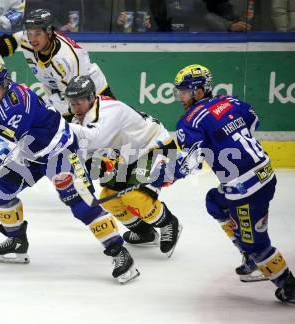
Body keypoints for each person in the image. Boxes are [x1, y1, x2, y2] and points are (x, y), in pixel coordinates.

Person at [0, 60, 140, 284]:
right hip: (32, 154)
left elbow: (3, 147)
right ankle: (16, 241)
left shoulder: (18, 102)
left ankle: (120, 253)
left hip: (59, 152)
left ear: (6, 84)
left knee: (80, 203)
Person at [171, 64, 295, 303]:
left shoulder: (189, 121)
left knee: (257, 244)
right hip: (266, 175)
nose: (180, 97)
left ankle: (287, 285)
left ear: (198, 91)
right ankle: (249, 255)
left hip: (245, 191)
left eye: (184, 91)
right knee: (215, 202)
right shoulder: (231, 102)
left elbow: (189, 164)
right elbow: (253, 121)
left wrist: (164, 176)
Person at [64, 75, 182, 257]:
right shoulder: (79, 120)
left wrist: (60, 127)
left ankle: (169, 223)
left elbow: (94, 137)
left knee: (134, 196)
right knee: (109, 198)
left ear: (91, 97)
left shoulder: (109, 110)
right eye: (72, 103)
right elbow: (83, 154)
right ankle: (145, 233)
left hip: (157, 146)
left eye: (79, 102)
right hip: (129, 155)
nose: (75, 108)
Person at [0, 8, 113, 121]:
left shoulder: (65, 59)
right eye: (30, 33)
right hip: (62, 92)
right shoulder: (28, 39)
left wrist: (36, 108)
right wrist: (1, 44)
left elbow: (73, 100)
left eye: (38, 34)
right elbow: (16, 40)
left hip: (92, 92)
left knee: (108, 127)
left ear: (50, 33)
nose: (33, 39)